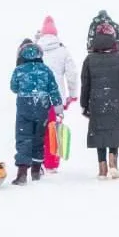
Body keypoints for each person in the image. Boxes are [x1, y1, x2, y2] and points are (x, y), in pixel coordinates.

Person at [81, 25, 119, 179]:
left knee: (99, 133)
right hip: (116, 98)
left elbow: (85, 83)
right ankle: (113, 161)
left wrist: (84, 104)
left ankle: (102, 167)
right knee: (114, 131)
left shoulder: (89, 59)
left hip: (96, 100)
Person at [10, 42, 63, 185]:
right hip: (42, 107)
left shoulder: (19, 70)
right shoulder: (46, 70)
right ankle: (36, 171)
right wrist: (58, 108)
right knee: (39, 138)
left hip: (24, 107)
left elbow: (14, 87)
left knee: (23, 138)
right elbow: (53, 90)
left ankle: (22, 173)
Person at [35, 16, 78, 173]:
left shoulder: (34, 50)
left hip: (36, 97)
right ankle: (51, 164)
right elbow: (72, 74)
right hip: (56, 97)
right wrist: (72, 95)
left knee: (37, 130)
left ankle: (36, 162)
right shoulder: (62, 50)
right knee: (53, 129)